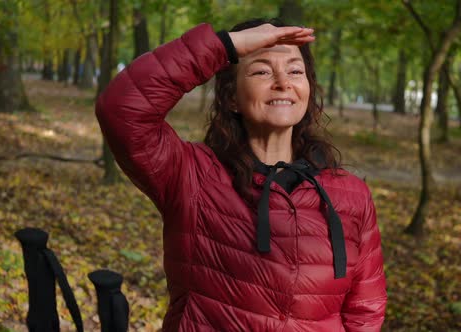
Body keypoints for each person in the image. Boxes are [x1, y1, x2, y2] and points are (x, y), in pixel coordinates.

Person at [96, 18, 387, 332]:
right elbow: (121, 109)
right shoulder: (191, 176)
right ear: (231, 97)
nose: (283, 82)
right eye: (261, 71)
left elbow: (365, 312)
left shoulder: (351, 194)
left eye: (295, 71)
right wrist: (225, 46)